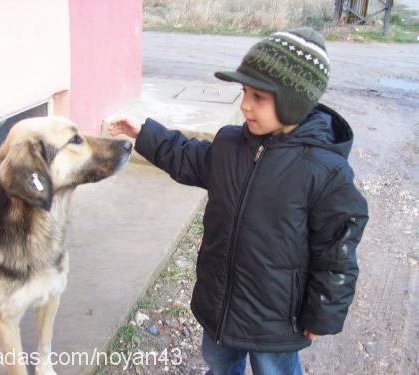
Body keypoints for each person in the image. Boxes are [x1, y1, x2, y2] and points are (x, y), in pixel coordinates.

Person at [109, 27, 368, 375]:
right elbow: (187, 157)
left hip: (275, 320)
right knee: (219, 364)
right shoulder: (230, 145)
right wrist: (144, 132)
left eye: (258, 96)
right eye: (244, 91)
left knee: (273, 370)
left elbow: (337, 250)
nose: (245, 104)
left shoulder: (324, 169)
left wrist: (323, 311)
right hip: (220, 303)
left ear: (293, 100)